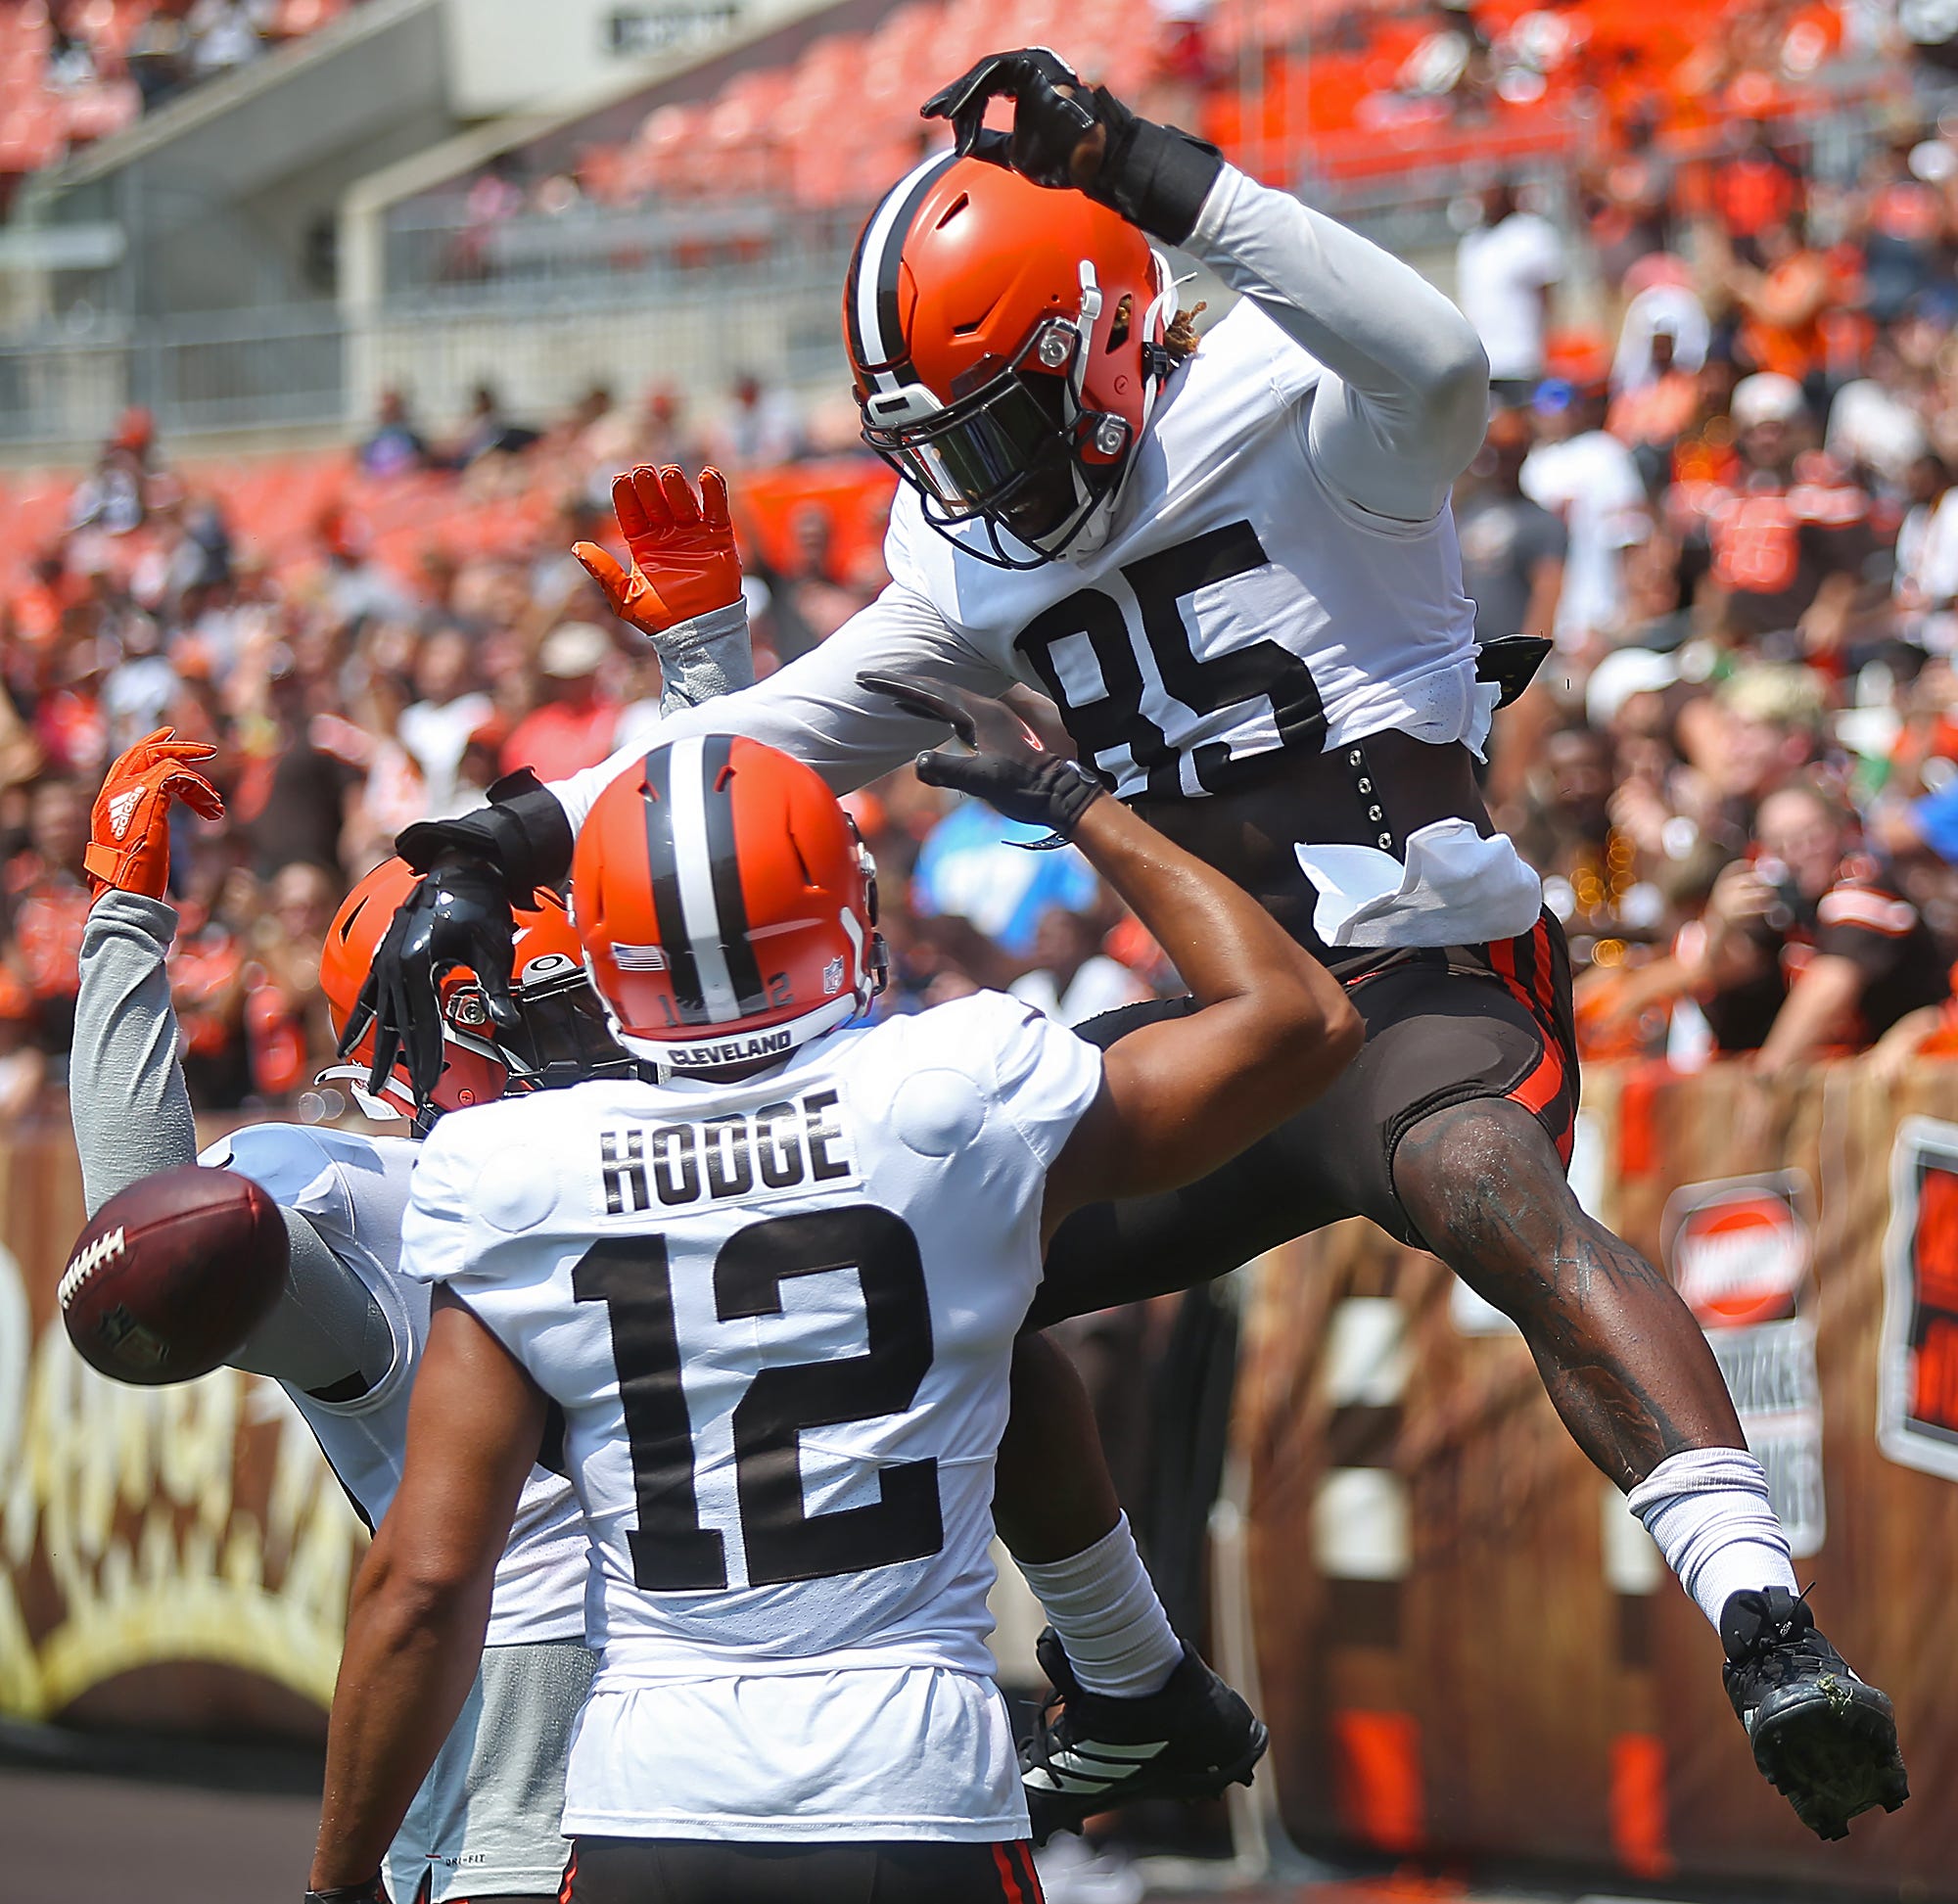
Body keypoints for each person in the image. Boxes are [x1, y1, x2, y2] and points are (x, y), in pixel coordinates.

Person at [356, 52, 1908, 1837]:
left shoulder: (1291, 408)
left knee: (1483, 1176)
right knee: (933, 1239)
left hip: (1422, 986)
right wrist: (500, 838)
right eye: (944, 446)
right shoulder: (966, 567)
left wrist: (1157, 170)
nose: (985, 482)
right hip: (1240, 1025)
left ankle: (1762, 1617)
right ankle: (1137, 1677)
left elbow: (1440, 356)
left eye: (1002, 425)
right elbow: (785, 727)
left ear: (1105, 335)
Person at [306, 723, 1361, 1903]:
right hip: (912, 1786)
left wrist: (339, 1888)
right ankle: (1132, 1669)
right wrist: (1081, 807)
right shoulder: (947, 1100)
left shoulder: (515, 1170)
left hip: (649, 1800)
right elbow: (1299, 1019)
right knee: (985, 1317)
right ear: (846, 910)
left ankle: (1136, 1674)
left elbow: (425, 1585)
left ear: (601, 958)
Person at [68, 734, 606, 1904]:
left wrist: (122, 922)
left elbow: (148, 1240)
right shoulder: (731, 1136)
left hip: (518, 1752)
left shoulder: (366, 1198)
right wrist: (704, 661)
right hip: (767, 1717)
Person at [1455, 179, 1563, 403]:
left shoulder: (1529, 235)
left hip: (1522, 356)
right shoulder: (1472, 242)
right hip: (1486, 361)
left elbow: (1547, 294)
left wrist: (1548, 346)